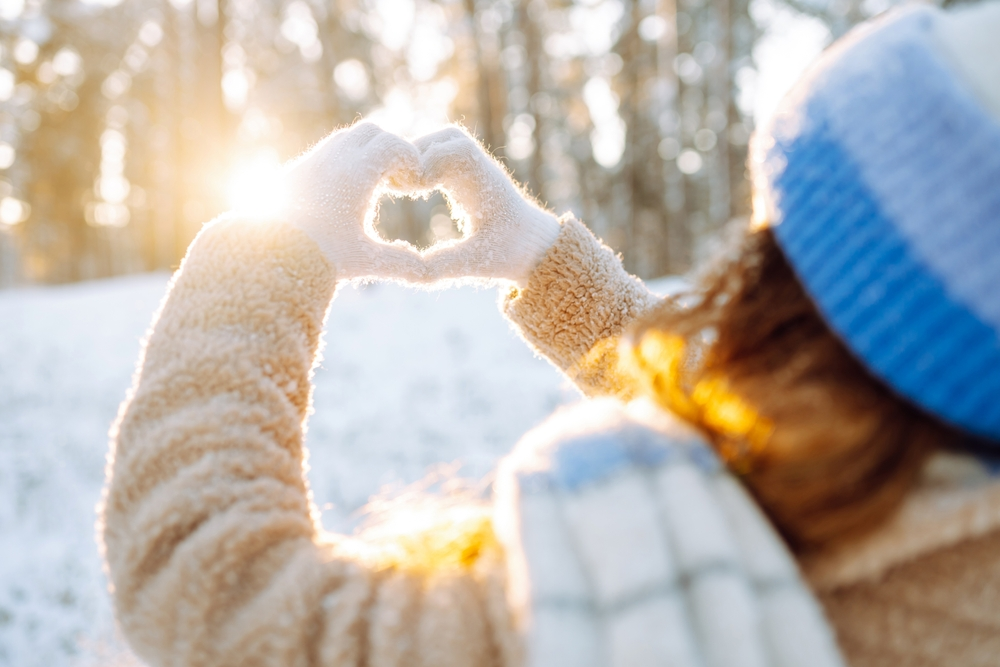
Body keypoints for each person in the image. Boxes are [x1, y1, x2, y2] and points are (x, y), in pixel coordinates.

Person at [99, 2, 1000, 666]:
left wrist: (267, 253)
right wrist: (547, 263)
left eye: (778, 235)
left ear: (817, 305)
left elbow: (210, 591)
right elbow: (787, 418)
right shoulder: (958, 550)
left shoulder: (638, 595)